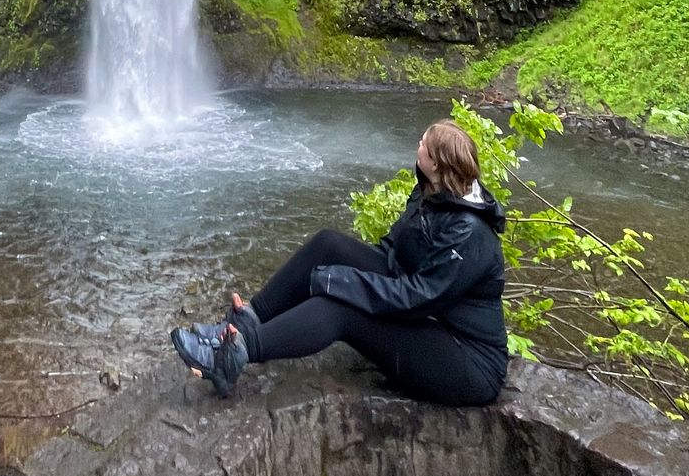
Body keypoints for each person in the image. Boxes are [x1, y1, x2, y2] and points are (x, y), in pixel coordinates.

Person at [171, 118, 508, 406]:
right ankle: (247, 321)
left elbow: (419, 297)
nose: (417, 144)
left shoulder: (469, 233)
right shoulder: (431, 193)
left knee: (340, 306)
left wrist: (341, 281)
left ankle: (231, 356)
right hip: (432, 317)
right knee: (329, 244)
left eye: (423, 143)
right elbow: (393, 250)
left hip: (467, 360)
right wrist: (345, 269)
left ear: (436, 163)